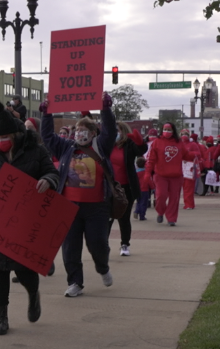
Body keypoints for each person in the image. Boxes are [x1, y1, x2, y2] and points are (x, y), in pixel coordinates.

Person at [0, 101, 58, 334]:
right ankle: (2, 317)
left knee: (25, 269)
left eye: (5, 137)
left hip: (26, 220)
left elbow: (52, 172)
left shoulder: (35, 150)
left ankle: (33, 296)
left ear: (17, 134)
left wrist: (48, 181)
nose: (0, 141)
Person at [40, 94, 117, 297]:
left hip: (97, 208)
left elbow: (110, 131)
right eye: (77, 130)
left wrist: (106, 109)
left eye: (84, 130)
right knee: (70, 248)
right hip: (69, 206)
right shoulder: (66, 148)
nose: (79, 133)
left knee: (98, 244)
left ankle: (103, 267)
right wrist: (46, 114)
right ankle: (75, 282)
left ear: (93, 133)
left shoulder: (100, 146)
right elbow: (47, 137)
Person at [146, 122, 197, 226]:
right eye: (165, 129)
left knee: (174, 199)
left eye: (169, 129)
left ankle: (171, 218)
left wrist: (195, 155)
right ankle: (160, 212)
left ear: (173, 131)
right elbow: (151, 159)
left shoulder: (179, 143)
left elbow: (185, 155)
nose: (167, 131)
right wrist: (147, 172)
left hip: (176, 176)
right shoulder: (157, 142)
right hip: (161, 175)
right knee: (161, 196)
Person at [109, 123, 144, 256]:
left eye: (116, 131)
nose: (114, 133)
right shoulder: (107, 144)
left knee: (124, 218)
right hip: (109, 186)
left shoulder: (129, 145)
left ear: (123, 132)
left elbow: (141, 150)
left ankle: (125, 244)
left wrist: (139, 141)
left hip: (126, 187)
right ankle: (104, 246)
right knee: (107, 218)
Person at [134, 156, 152, 221]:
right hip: (145, 189)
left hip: (137, 189)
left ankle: (136, 211)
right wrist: (153, 187)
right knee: (144, 203)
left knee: (138, 202)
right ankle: (142, 216)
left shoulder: (136, 173)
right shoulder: (146, 173)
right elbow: (149, 181)